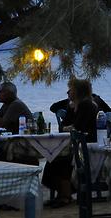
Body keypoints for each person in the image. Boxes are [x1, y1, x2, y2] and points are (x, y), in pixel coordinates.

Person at [42, 78, 99, 207]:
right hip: (76, 144)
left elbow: (77, 128)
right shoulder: (76, 105)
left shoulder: (87, 105)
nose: (68, 92)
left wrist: (70, 126)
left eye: (71, 90)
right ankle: (63, 194)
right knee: (53, 158)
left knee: (59, 160)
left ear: (78, 91)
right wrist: (71, 110)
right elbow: (64, 127)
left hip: (85, 146)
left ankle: (65, 195)